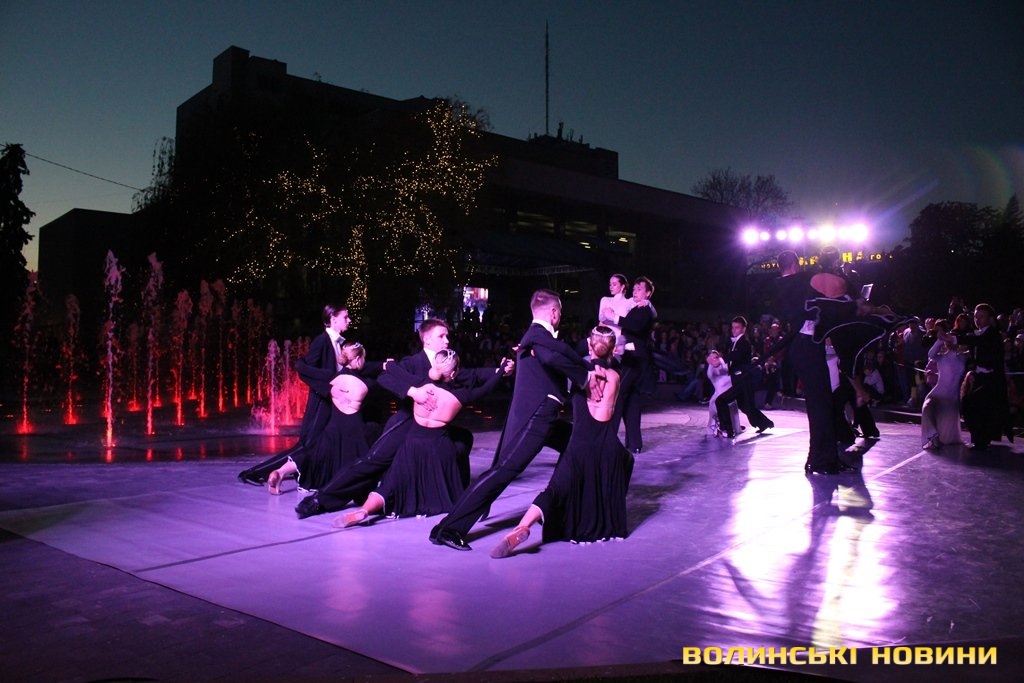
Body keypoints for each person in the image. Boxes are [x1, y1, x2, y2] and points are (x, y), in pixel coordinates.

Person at [428, 288, 599, 551]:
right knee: (503, 472)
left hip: (545, 416)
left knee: (577, 446)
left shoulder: (537, 337)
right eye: (561, 313)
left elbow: (559, 350)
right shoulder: (537, 336)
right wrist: (586, 377)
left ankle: (558, 504)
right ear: (554, 313)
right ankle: (448, 529)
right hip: (537, 417)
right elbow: (553, 356)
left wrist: (585, 360)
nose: (561, 318)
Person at [294, 319, 490, 518]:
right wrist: (413, 392)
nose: (447, 340)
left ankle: (462, 499)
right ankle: (319, 500)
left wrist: (501, 371)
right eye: (442, 336)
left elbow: (474, 375)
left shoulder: (449, 364)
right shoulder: (412, 363)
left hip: (432, 432)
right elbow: (384, 377)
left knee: (463, 439)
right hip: (406, 424)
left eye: (447, 336)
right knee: (372, 463)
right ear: (427, 340)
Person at [490, 326, 633, 557]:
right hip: (608, 447)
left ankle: (522, 527)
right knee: (624, 461)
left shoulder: (581, 374)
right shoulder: (617, 376)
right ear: (613, 349)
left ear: (589, 346)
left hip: (580, 447)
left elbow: (558, 361)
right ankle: (605, 522)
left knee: (554, 490)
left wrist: (533, 351)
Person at [334, 349, 510, 527]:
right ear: (454, 373)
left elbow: (395, 372)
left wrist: (390, 363)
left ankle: (364, 510)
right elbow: (486, 388)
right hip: (439, 449)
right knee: (457, 458)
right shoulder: (460, 396)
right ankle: (465, 505)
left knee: (389, 486)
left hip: (411, 446)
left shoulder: (420, 385)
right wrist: (502, 369)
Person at [237, 303, 350, 486]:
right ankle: (253, 473)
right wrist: (328, 386)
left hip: (331, 403)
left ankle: (314, 474)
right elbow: (303, 369)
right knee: (305, 446)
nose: (349, 320)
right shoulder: (322, 341)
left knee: (319, 444)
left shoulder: (340, 343)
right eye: (345, 317)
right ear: (333, 319)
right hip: (320, 404)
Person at [768, 251, 851, 475]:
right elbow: (832, 288)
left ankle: (824, 457)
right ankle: (821, 460)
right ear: (795, 265)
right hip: (805, 347)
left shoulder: (789, 284)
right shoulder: (792, 283)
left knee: (822, 403)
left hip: (808, 346)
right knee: (820, 404)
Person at [266, 341, 371, 494]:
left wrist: (328, 389)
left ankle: (280, 472)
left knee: (314, 455)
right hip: (353, 428)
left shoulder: (334, 377)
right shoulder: (362, 383)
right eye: (364, 358)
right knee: (361, 460)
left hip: (333, 425)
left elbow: (304, 371)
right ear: (357, 359)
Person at [941, 303, 1011, 450]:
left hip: (991, 379)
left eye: (981, 317)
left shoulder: (993, 334)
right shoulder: (979, 334)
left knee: (977, 405)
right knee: (972, 405)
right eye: (976, 317)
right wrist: (959, 351)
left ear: (990, 318)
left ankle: (982, 440)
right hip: (980, 377)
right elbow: (975, 348)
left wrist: (954, 339)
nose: (977, 320)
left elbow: (979, 342)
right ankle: (980, 439)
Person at [610, 276, 657, 453]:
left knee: (618, 394)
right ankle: (634, 443)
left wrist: (614, 317)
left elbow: (635, 326)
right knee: (631, 401)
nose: (635, 291)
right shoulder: (638, 307)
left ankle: (609, 438)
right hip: (632, 358)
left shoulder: (644, 309)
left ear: (648, 293)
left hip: (636, 360)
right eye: (634, 288)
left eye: (639, 289)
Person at [714, 316, 774, 438]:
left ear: (743, 329)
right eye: (733, 327)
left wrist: (721, 360)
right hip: (738, 379)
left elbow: (737, 355)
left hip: (743, 380)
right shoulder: (735, 342)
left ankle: (727, 430)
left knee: (721, 401)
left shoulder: (744, 343)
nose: (734, 330)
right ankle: (764, 423)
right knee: (746, 406)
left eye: (737, 327)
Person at [920, 320, 967, 449]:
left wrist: (955, 343)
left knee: (947, 432)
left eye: (951, 340)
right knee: (926, 408)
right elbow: (930, 354)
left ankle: (937, 436)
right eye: (947, 341)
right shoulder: (941, 357)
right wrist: (940, 339)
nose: (949, 343)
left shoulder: (961, 358)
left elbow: (966, 352)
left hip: (951, 396)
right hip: (937, 393)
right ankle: (932, 435)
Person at [705, 349, 740, 438]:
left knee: (732, 411)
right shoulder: (711, 370)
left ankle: (731, 428)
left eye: (716, 357)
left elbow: (726, 368)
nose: (715, 359)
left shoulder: (723, 366)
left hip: (729, 393)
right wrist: (711, 363)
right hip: (719, 395)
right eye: (712, 357)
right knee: (718, 408)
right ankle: (721, 428)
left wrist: (720, 360)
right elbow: (709, 375)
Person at [598, 273, 634, 356]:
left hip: (619, 341)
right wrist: (608, 316)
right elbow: (601, 318)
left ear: (622, 286)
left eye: (614, 284)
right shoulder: (605, 299)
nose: (611, 287)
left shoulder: (629, 302)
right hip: (603, 338)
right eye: (610, 284)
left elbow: (628, 322)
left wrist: (647, 302)